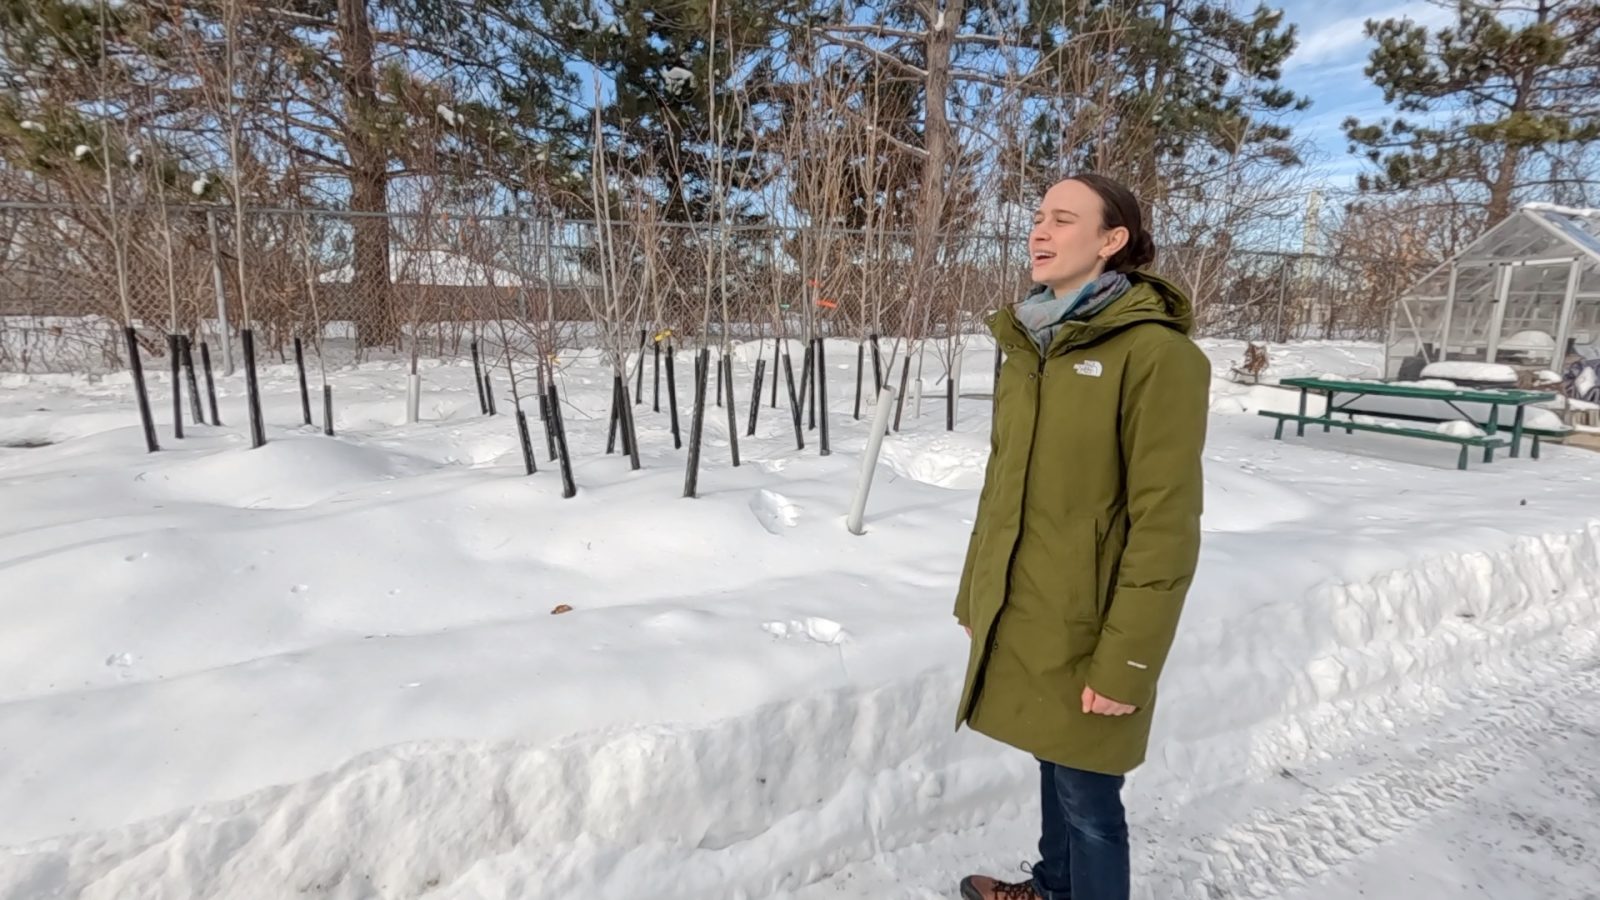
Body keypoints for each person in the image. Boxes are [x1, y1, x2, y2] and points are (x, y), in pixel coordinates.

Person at [953, 174, 1209, 900]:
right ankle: (1052, 886)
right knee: (1051, 758)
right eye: (1037, 217)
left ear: (1111, 241)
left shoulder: (1157, 357)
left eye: (1062, 220)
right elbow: (1001, 492)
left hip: (1097, 623)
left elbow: (1166, 523)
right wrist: (980, 595)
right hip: (1031, 606)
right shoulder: (1031, 346)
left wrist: (1126, 662)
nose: (1039, 231)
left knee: (1091, 803)